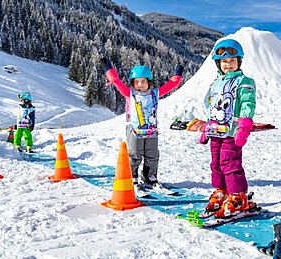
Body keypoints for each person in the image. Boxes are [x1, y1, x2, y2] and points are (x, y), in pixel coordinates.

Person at [102, 58, 183, 188]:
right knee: (135, 154)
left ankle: (149, 175)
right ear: (132, 83)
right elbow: (116, 81)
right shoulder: (129, 94)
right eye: (137, 82)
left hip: (151, 131)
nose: (140, 84)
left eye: (143, 81)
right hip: (134, 130)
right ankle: (132, 175)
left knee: (152, 154)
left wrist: (178, 74)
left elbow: (171, 85)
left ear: (149, 81)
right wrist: (108, 68)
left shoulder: (155, 93)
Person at [200, 39, 256, 218]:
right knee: (216, 163)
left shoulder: (243, 81)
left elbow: (248, 102)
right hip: (216, 131)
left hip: (232, 132)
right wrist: (206, 127)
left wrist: (245, 123)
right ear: (218, 63)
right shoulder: (215, 83)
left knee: (230, 163)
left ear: (239, 62)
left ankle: (239, 196)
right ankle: (222, 191)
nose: (228, 65)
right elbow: (210, 106)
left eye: (232, 61)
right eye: (224, 62)